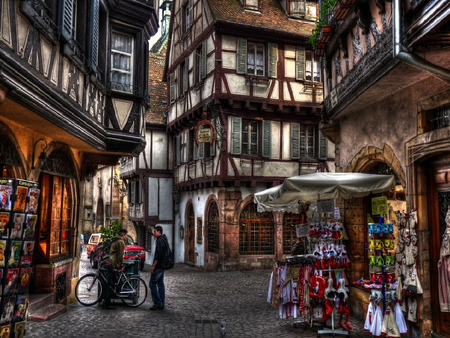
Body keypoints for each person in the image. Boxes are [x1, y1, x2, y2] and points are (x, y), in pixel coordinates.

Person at [103, 228, 128, 309]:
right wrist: (120, 266)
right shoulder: (121, 242)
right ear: (123, 235)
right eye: (126, 235)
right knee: (110, 283)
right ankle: (108, 304)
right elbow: (120, 256)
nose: (126, 237)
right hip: (111, 263)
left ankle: (109, 301)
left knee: (111, 282)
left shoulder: (115, 239)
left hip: (109, 261)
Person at [149, 225, 168, 310]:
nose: (153, 233)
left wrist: (154, 265)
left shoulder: (160, 240)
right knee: (160, 284)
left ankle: (158, 302)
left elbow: (159, 255)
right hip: (162, 265)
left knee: (152, 284)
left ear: (159, 231)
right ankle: (161, 302)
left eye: (155, 231)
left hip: (159, 265)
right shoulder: (164, 239)